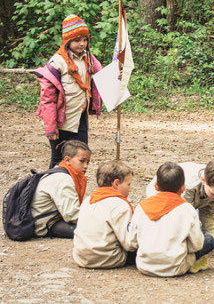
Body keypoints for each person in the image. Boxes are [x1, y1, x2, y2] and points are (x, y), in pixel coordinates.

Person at [32, 14, 102, 169]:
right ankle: (52, 190)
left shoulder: (88, 58)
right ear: (67, 41)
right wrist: (50, 127)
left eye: (85, 39)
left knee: (81, 158)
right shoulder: (57, 62)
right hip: (61, 121)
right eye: (77, 40)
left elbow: (102, 75)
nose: (82, 44)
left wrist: (118, 71)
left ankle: (75, 190)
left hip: (80, 118)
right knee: (59, 160)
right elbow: (47, 99)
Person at [130, 162, 214, 277]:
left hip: (144, 265)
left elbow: (132, 242)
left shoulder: (141, 207)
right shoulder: (187, 209)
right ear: (183, 187)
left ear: (156, 186)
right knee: (209, 240)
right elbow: (197, 245)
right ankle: (193, 262)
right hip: (176, 267)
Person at [73, 160, 138, 268]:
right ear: (116, 183)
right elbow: (129, 244)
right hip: (108, 258)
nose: (130, 189)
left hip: (81, 257)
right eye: (128, 184)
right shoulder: (120, 205)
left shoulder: (88, 200)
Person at [30, 140, 91, 238]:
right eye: (82, 161)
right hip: (42, 224)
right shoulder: (63, 179)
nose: (86, 166)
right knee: (92, 230)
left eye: (88, 162)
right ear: (67, 160)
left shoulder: (60, 171)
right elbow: (71, 215)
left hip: (49, 218)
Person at [183, 158, 214, 245]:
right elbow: (183, 216)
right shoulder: (188, 186)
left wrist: (212, 237)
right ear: (203, 181)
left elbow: (209, 212)